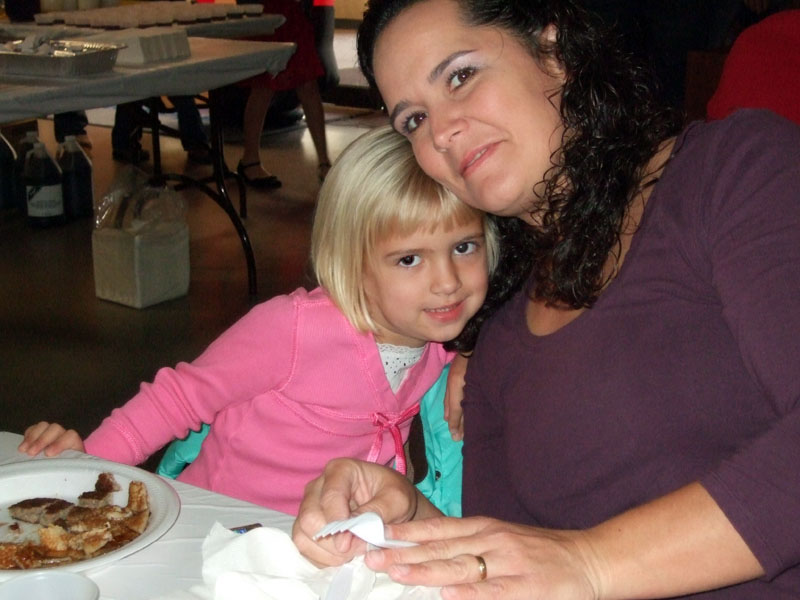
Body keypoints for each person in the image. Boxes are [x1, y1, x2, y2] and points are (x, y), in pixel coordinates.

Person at [291, 1, 800, 598]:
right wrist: (408, 523)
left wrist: (593, 563)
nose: (442, 130)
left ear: (553, 51)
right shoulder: (499, 334)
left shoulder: (734, 171)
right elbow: (521, 559)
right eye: (413, 121)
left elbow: (571, 565)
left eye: (460, 76)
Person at [18, 125, 499, 516]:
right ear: (351, 263)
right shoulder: (292, 329)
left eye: (464, 247)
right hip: (218, 525)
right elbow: (176, 399)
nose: (447, 282)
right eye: (410, 260)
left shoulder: (444, 336)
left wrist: (472, 353)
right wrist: (81, 475)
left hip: (319, 543)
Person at [235, 0, 332, 189]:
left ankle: (324, 162)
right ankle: (250, 158)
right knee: (264, 85)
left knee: (308, 83)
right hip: (268, 11)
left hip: (292, 12)